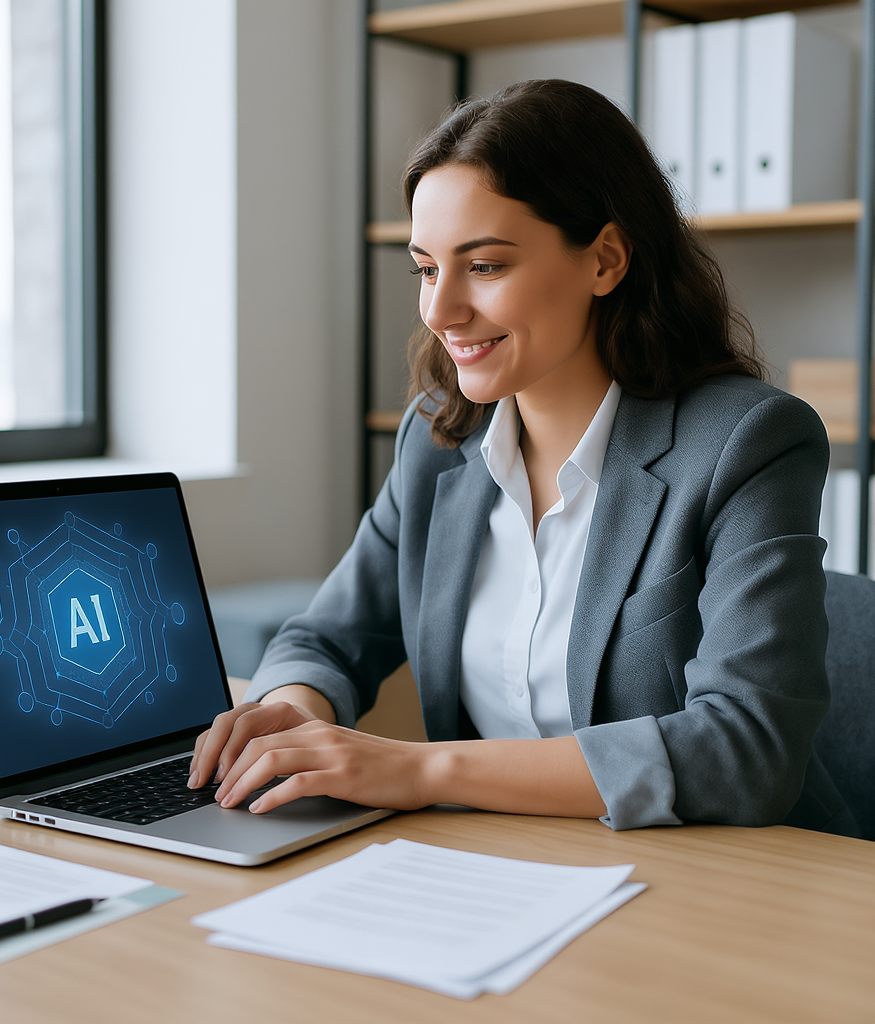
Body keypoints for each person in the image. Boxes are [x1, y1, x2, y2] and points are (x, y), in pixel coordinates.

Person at [189, 79, 856, 835]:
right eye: (426, 268)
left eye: (485, 266)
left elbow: (745, 748)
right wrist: (286, 716)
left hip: (723, 882)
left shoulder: (749, 443)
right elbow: (328, 636)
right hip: (505, 870)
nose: (440, 312)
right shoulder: (436, 437)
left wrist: (417, 770)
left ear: (605, 260)